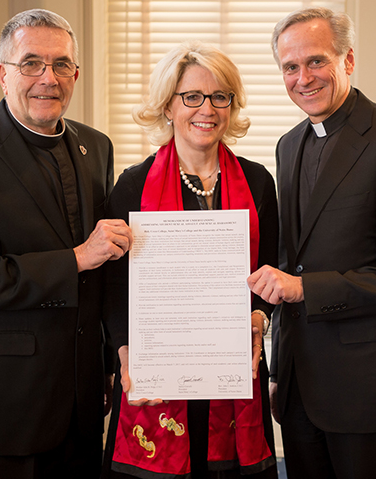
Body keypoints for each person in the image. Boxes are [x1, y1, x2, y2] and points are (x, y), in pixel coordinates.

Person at [0, 9, 132, 479]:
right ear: (4, 74)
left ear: (75, 75)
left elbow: (104, 275)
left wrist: (106, 363)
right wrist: (79, 257)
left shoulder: (96, 147)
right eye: (31, 63)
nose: (48, 78)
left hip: (82, 400)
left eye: (62, 65)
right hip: (5, 404)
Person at [247, 7, 376, 479]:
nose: (303, 78)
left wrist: (304, 289)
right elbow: (292, 257)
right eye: (290, 67)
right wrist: (279, 372)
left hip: (370, 383)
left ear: (348, 60)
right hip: (300, 386)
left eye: (316, 61)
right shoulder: (289, 144)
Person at [102, 41, 279, 478]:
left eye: (220, 97)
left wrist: (260, 315)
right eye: (192, 97)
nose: (208, 109)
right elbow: (111, 286)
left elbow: (273, 267)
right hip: (156, 369)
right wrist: (125, 354)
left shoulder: (257, 181)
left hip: (233, 365)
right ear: (168, 106)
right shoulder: (133, 184)